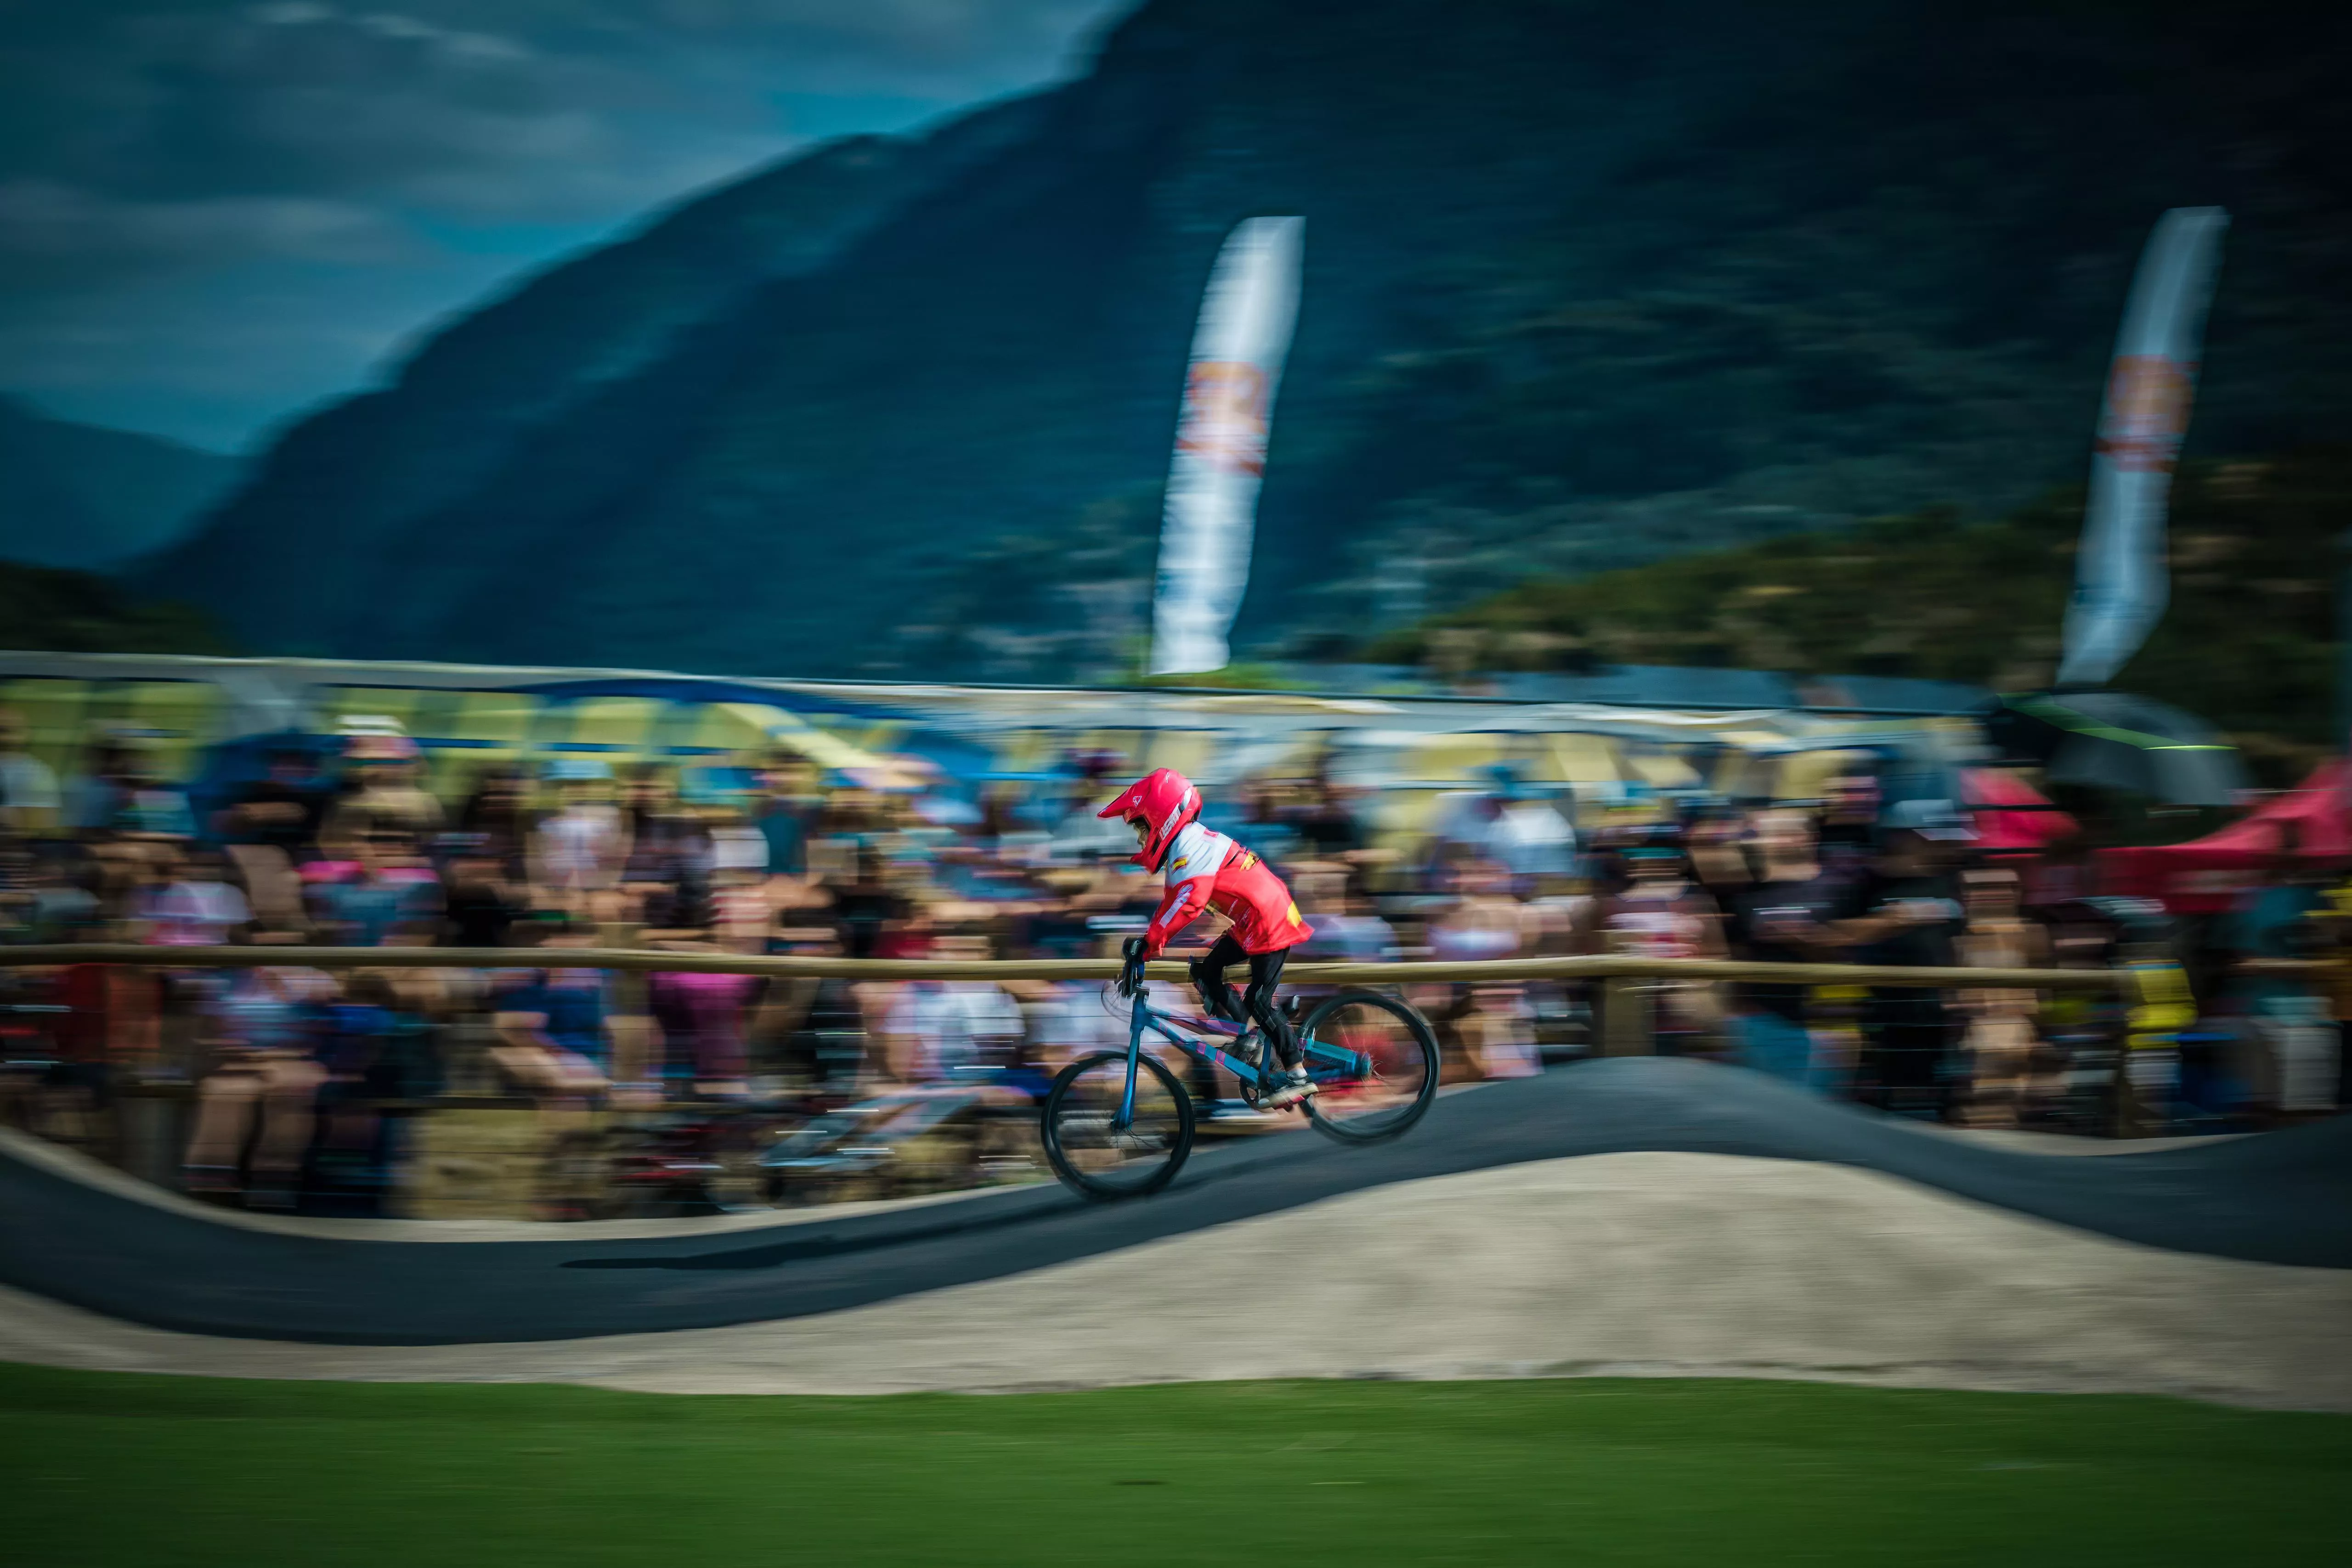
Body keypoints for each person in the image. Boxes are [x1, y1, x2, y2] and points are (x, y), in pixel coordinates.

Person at [1098, 768, 1318, 1108]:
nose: (1141, 841)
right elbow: (1171, 904)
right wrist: (1146, 945)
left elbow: (1190, 904)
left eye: (1141, 829)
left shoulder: (1190, 844)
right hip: (1252, 921)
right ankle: (1248, 1038)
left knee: (1260, 1001)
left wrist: (1149, 942)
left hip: (1267, 920)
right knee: (1206, 972)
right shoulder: (1184, 849)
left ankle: (1297, 1073)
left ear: (1162, 819)